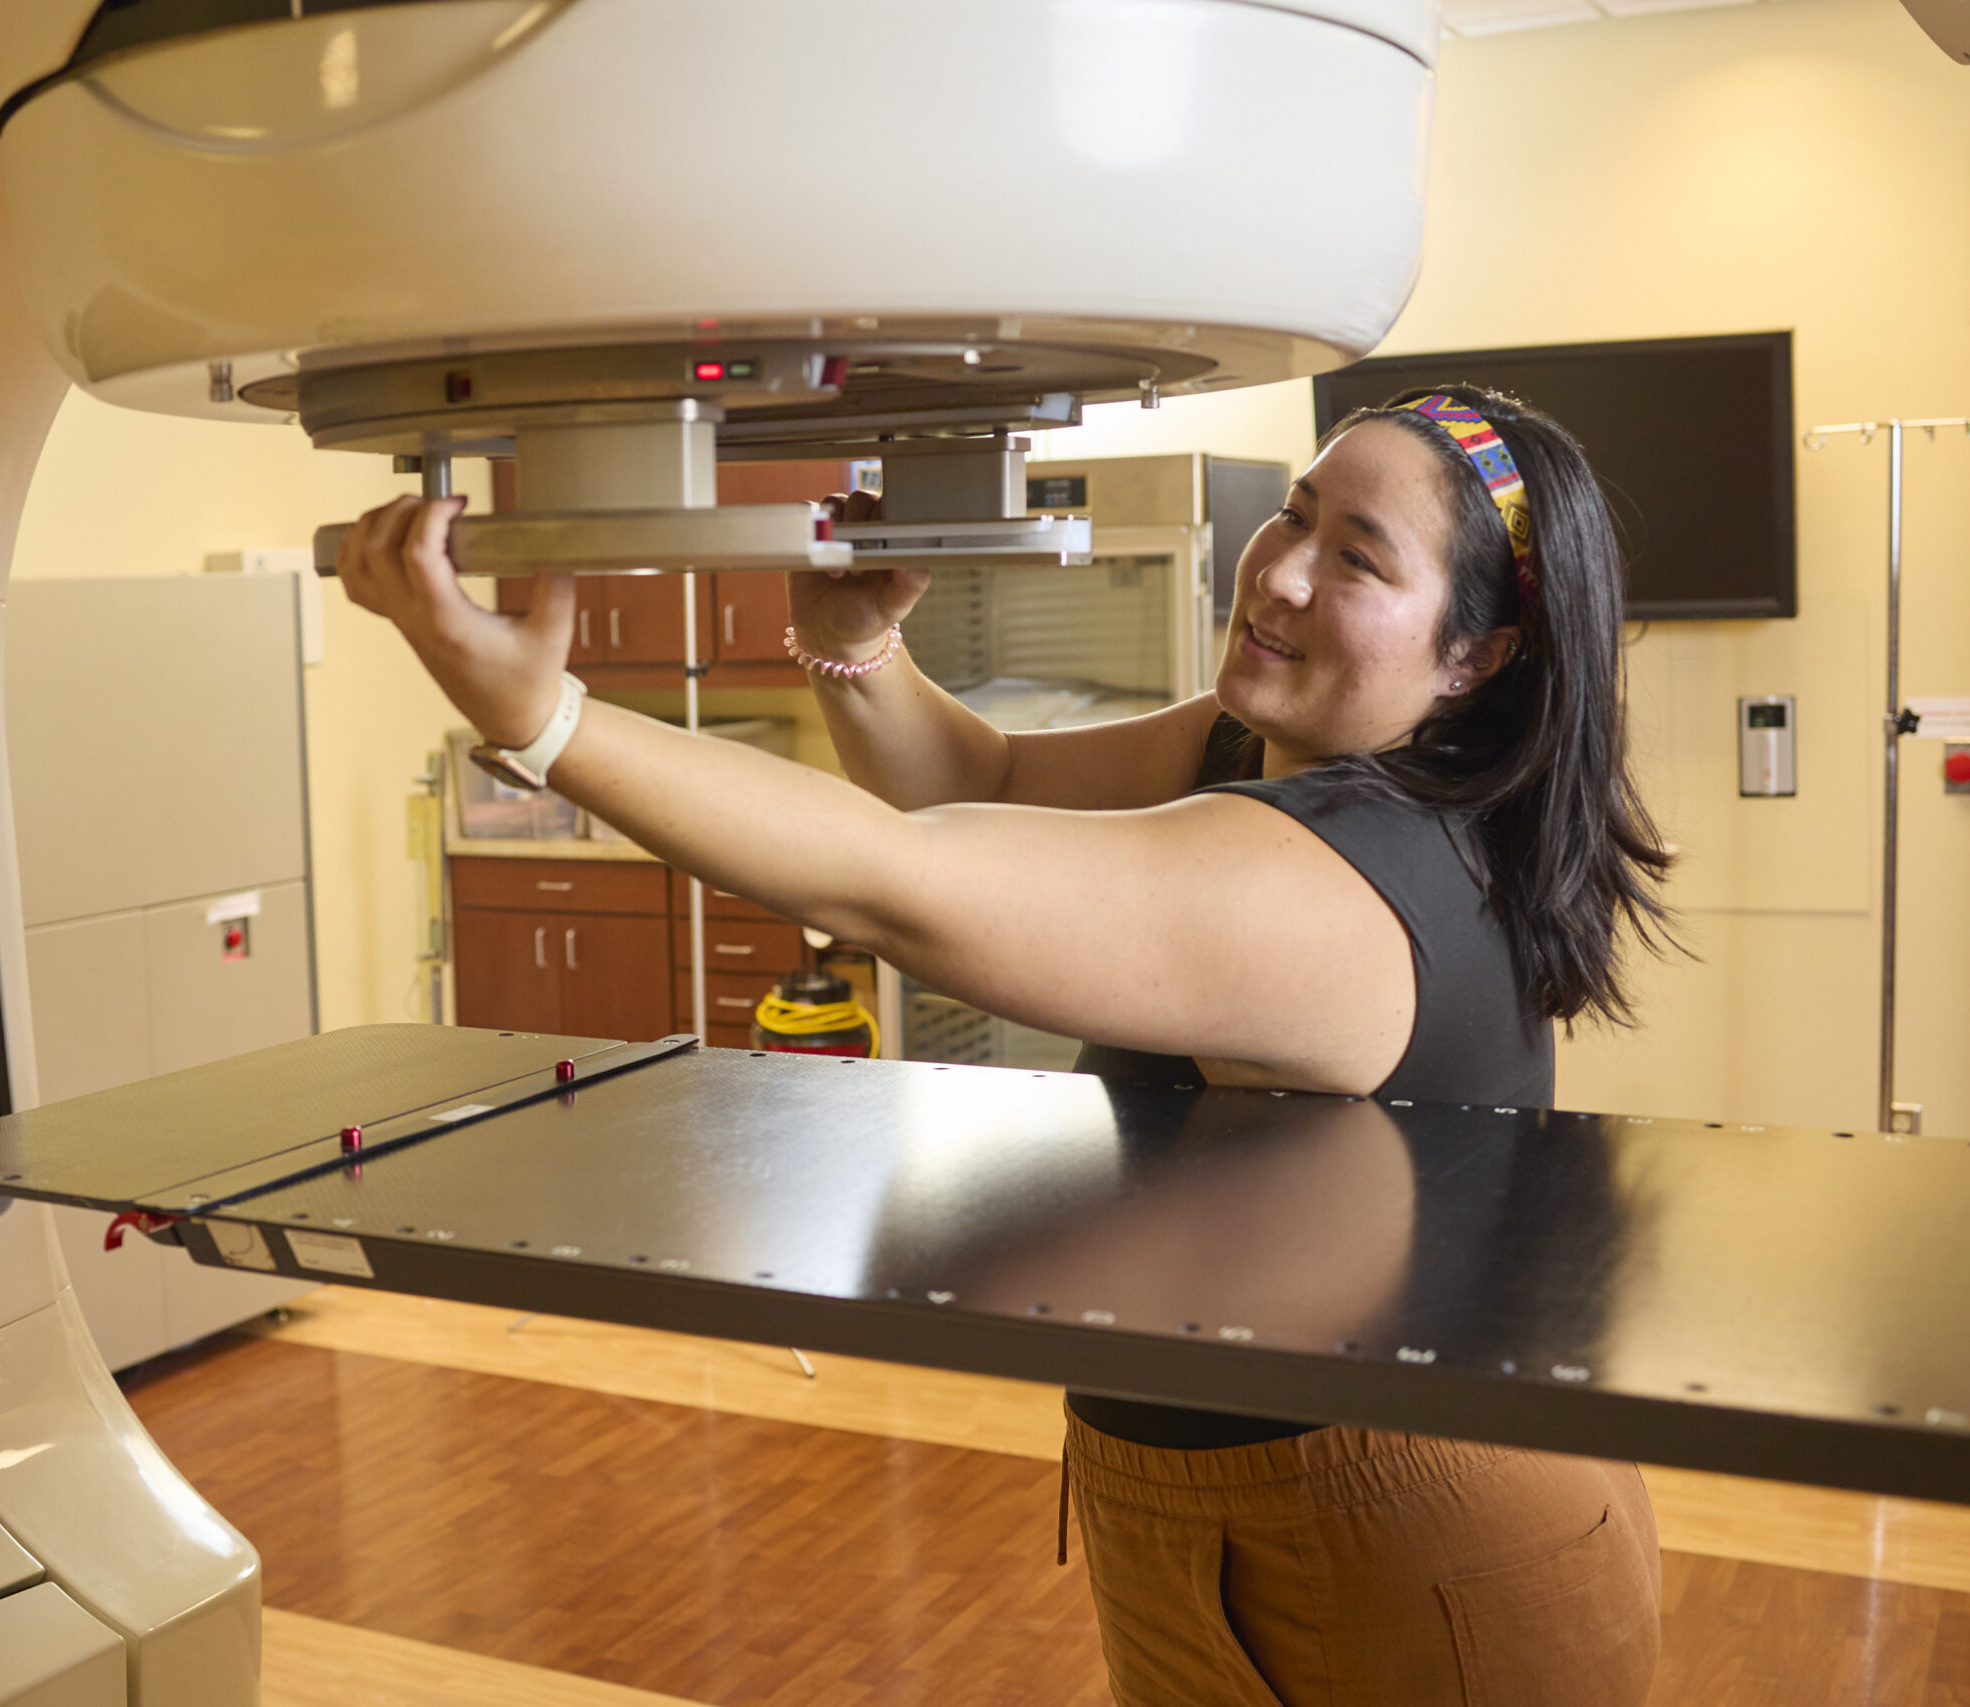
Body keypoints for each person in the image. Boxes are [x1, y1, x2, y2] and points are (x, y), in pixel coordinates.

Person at [334, 385, 1675, 1706]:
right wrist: (860, 652)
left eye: (1359, 558)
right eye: (1293, 514)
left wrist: (544, 719)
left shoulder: (1341, 887)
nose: (1279, 574)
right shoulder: (1266, 752)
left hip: (1399, 1526)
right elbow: (993, 788)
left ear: (1476, 654)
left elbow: (900, 879)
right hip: (1218, 1484)